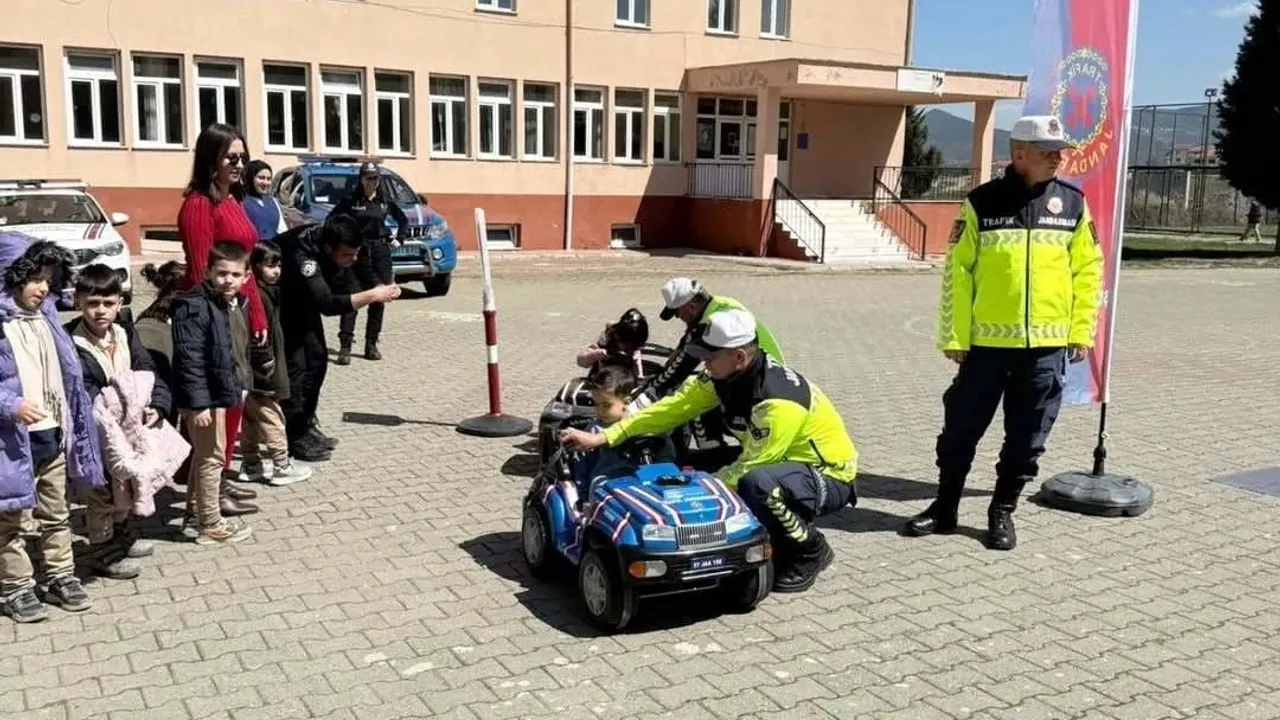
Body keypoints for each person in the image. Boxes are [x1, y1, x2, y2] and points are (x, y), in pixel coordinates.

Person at [904, 114, 1104, 551]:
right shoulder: (981, 203)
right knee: (960, 430)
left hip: (1045, 348)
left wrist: (1081, 330)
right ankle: (945, 508)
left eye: (1060, 151)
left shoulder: (1072, 204)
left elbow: (1088, 272)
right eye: (1048, 151)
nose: (1058, 158)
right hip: (986, 347)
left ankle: (1002, 512)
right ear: (1019, 154)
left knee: (1028, 438)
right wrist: (954, 337)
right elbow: (958, 274)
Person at [561, 309, 857, 594]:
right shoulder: (723, 375)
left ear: (739, 357)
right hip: (778, 462)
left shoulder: (779, 403)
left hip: (827, 474)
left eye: (710, 357)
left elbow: (752, 464)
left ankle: (810, 548)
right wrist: (604, 439)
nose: (704, 364)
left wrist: (698, 497)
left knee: (756, 486)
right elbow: (670, 410)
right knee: (685, 467)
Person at [0, 238, 104, 623]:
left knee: (56, 513)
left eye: (48, 279)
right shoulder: (2, 324)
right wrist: (10, 405)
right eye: (34, 280)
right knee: (8, 521)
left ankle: (61, 576)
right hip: (12, 441)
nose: (43, 288)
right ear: (10, 277)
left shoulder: (47, 318)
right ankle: (17, 588)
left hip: (53, 432)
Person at [64, 264, 175, 580]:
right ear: (78, 303)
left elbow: (148, 371)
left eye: (108, 303)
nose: (100, 311)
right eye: (92, 303)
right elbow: (81, 387)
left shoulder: (126, 333)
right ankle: (102, 550)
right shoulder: (71, 341)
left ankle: (121, 534)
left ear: (120, 302)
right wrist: (116, 401)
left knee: (125, 483)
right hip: (95, 429)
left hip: (131, 426)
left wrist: (159, 405)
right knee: (100, 490)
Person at [176, 123, 267, 485]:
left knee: (234, 403)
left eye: (243, 157)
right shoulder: (199, 205)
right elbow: (202, 274)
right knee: (216, 406)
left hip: (237, 314)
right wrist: (220, 328)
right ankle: (207, 486)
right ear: (211, 158)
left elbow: (245, 268)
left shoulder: (232, 200)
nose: (239, 164)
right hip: (213, 321)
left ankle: (221, 478)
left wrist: (256, 316)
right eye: (232, 157)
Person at [275, 216, 402, 459]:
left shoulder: (344, 239)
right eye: (346, 255)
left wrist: (379, 285)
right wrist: (373, 296)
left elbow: (361, 265)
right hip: (282, 305)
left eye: (354, 253)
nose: (352, 259)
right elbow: (328, 304)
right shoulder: (304, 255)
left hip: (304, 300)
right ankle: (294, 436)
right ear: (327, 249)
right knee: (297, 369)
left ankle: (306, 424)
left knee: (318, 360)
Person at [171, 241, 264, 545]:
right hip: (205, 397)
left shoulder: (235, 302)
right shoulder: (195, 305)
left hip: (225, 390)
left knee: (206, 458)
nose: (228, 279)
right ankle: (210, 523)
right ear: (208, 271)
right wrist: (198, 405)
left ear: (246, 276)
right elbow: (190, 358)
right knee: (211, 458)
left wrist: (244, 383)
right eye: (221, 273)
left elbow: (238, 350)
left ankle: (194, 516)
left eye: (235, 274)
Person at [239, 242, 313, 486]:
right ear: (256, 267)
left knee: (251, 419)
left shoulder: (264, 293)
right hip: (262, 371)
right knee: (273, 417)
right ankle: (281, 465)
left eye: (278, 265)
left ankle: (250, 464)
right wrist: (265, 365)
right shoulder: (258, 297)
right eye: (270, 266)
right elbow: (259, 338)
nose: (276, 271)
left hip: (252, 371)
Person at [647, 278, 785, 399]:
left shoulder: (712, 324)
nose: (677, 318)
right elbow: (692, 332)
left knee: (692, 399)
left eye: (676, 313)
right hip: (767, 365)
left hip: (761, 381)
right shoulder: (718, 303)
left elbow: (679, 371)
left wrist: (646, 395)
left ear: (692, 307)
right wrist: (678, 349)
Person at [330, 162, 407, 364]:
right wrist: (342, 241)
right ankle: (345, 346)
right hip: (357, 253)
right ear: (361, 179)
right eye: (368, 178)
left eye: (375, 178)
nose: (372, 182)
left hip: (381, 252)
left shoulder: (384, 201)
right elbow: (332, 219)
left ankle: (371, 345)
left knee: (380, 298)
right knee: (352, 298)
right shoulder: (351, 200)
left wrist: (400, 238)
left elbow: (403, 220)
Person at [242, 160, 289, 241]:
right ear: (249, 178)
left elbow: (282, 231)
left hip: (271, 250)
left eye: (268, 179)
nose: (265, 182)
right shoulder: (240, 201)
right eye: (261, 178)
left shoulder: (273, 202)